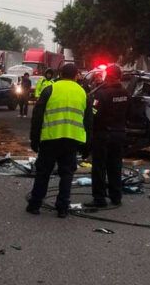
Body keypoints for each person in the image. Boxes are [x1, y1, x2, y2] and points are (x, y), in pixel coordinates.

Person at [27, 64, 92, 218]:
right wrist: (87, 146)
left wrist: (34, 139)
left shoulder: (50, 90)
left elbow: (37, 116)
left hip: (50, 138)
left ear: (60, 73)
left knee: (43, 172)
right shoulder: (83, 93)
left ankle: (35, 204)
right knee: (67, 174)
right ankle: (62, 207)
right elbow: (89, 122)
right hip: (72, 140)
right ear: (77, 75)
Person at [84, 65, 130, 208]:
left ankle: (99, 198)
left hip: (103, 134)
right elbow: (129, 113)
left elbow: (94, 114)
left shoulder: (101, 94)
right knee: (115, 166)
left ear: (107, 76)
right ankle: (116, 196)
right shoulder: (126, 93)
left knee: (99, 167)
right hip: (119, 134)